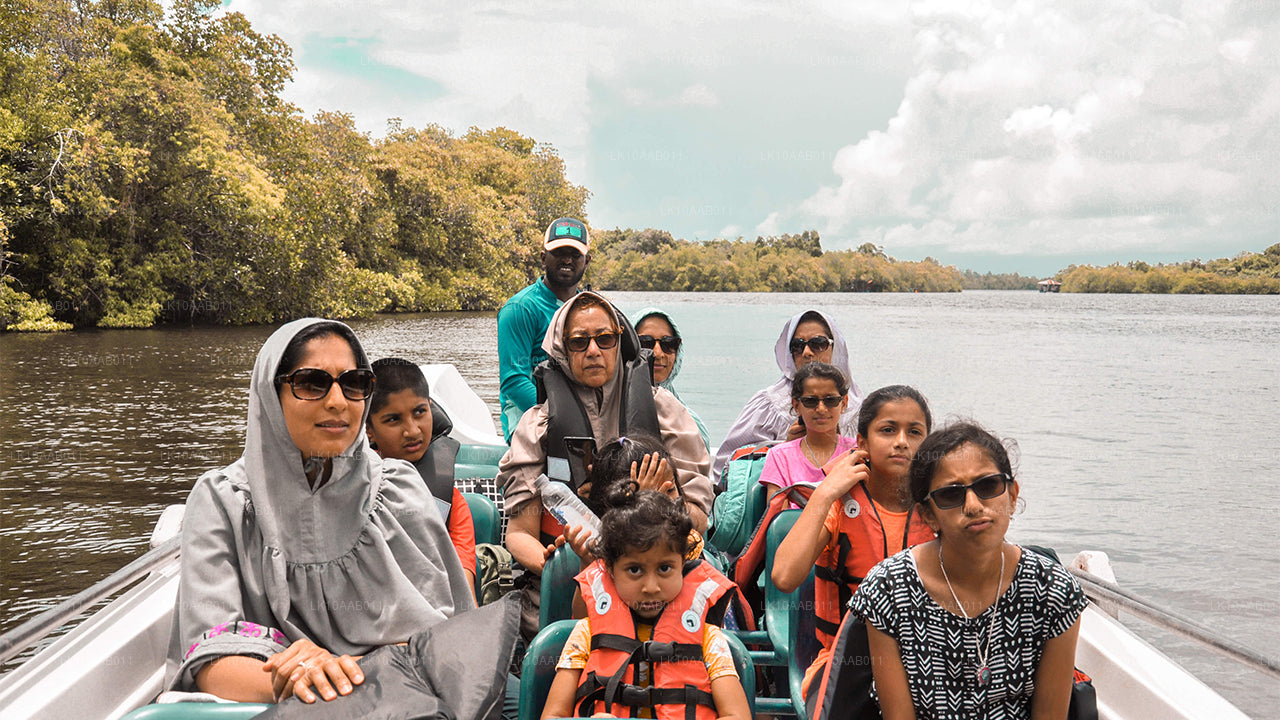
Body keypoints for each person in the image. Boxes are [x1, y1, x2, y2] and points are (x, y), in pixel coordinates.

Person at [167, 319, 474, 704]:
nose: (337, 402)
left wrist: (348, 670)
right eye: (312, 383)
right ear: (271, 393)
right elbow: (209, 659)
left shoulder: (399, 488)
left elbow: (447, 638)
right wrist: (298, 676)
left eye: (354, 383)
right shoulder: (222, 501)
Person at [500, 292, 714, 637]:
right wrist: (559, 561)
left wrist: (657, 503)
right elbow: (520, 533)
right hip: (568, 576)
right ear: (561, 350)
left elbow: (698, 519)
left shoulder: (666, 412)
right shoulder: (536, 425)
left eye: (605, 339)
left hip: (657, 573)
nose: (593, 351)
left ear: (620, 341)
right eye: (579, 342)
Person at [849, 421, 1086, 718]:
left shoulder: (1052, 590)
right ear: (928, 515)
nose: (973, 506)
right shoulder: (888, 589)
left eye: (988, 486)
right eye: (951, 494)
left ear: (1012, 496)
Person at [771, 385, 936, 704]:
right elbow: (784, 576)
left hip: (927, 664)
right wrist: (824, 493)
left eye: (914, 432)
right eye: (888, 430)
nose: (901, 441)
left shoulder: (940, 510)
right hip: (844, 664)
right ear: (862, 442)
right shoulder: (837, 506)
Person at [541, 490, 752, 720]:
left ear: (682, 564)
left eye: (664, 568)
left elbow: (737, 715)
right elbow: (552, 716)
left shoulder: (708, 639)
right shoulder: (586, 634)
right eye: (634, 570)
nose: (651, 587)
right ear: (610, 569)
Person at [711, 309, 863, 484]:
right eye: (797, 346)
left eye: (818, 343)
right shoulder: (768, 404)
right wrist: (785, 446)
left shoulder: (860, 408)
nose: (807, 352)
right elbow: (728, 464)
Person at [366, 357, 477, 597]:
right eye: (393, 419)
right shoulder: (356, 487)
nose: (413, 430)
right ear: (368, 430)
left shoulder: (451, 502)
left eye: (419, 412)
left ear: (430, 407)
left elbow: (463, 591)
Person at [497, 217, 591, 441]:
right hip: (529, 418)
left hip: (579, 413)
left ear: (587, 261)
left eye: (575, 254)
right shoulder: (520, 309)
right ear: (543, 258)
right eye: (558, 252)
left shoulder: (590, 308)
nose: (567, 259)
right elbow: (514, 381)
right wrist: (565, 417)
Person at [757, 362, 856, 502]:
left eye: (830, 400)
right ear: (796, 405)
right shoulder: (780, 456)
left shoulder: (857, 453)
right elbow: (777, 515)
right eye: (811, 401)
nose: (821, 409)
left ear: (844, 403)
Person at [634, 307, 712, 450]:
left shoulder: (689, 419)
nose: (657, 353)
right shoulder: (615, 410)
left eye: (668, 344)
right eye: (645, 343)